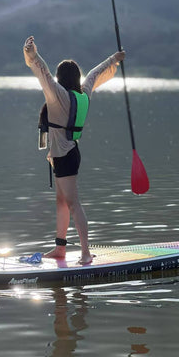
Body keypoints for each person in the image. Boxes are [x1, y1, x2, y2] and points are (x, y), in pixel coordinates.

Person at [23, 35, 125, 264]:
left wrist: (31, 52)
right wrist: (115, 58)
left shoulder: (58, 95)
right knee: (61, 202)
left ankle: (86, 253)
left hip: (66, 157)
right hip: (65, 155)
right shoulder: (84, 92)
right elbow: (96, 73)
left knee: (73, 203)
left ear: (60, 78)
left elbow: (43, 71)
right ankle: (60, 249)